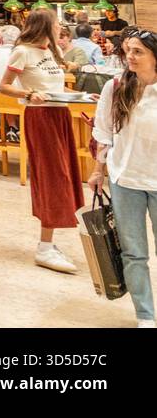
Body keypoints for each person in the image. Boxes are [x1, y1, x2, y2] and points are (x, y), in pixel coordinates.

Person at [0, 7, 82, 274]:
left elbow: (55, 88)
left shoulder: (50, 53)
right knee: (52, 175)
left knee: (66, 173)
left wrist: (82, 96)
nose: (60, 28)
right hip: (41, 117)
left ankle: (50, 240)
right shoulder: (23, 51)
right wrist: (29, 93)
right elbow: (5, 86)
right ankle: (45, 246)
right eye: (56, 24)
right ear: (45, 26)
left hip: (61, 115)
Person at [89, 28, 157, 328]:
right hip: (125, 179)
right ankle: (145, 314)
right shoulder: (115, 86)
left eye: (138, 51)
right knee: (133, 253)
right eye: (128, 50)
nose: (130, 56)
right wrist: (97, 170)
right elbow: (103, 132)